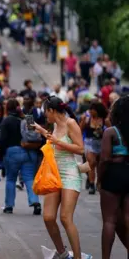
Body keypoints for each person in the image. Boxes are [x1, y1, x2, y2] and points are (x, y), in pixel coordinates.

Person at [33, 96, 84, 259]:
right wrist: (43, 132)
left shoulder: (71, 123)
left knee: (65, 218)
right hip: (54, 174)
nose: (45, 116)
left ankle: (77, 256)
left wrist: (57, 142)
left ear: (51, 111)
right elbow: (53, 141)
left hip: (70, 173)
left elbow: (81, 149)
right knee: (48, 217)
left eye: (45, 112)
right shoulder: (55, 125)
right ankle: (62, 252)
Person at [98, 95, 129, 259]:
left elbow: (104, 159)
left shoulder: (111, 132)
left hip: (113, 175)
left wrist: (98, 179)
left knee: (109, 221)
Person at [79, 101, 109, 194]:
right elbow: (80, 129)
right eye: (90, 110)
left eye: (93, 110)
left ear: (98, 110)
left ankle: (98, 183)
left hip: (101, 143)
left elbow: (111, 130)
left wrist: (103, 131)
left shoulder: (105, 120)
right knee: (91, 163)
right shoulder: (87, 119)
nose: (91, 111)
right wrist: (83, 121)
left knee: (100, 165)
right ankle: (91, 184)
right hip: (89, 143)